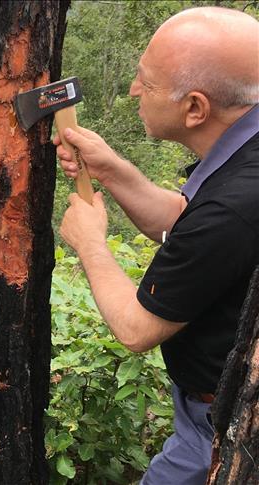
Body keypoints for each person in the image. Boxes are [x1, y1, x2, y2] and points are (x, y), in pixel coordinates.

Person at [56, 7, 258, 484]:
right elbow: (186, 224)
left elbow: (136, 329)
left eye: (145, 83)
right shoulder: (244, 155)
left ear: (195, 108)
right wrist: (112, 169)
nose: (132, 91)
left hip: (223, 424)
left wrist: (91, 244)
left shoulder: (235, 206)